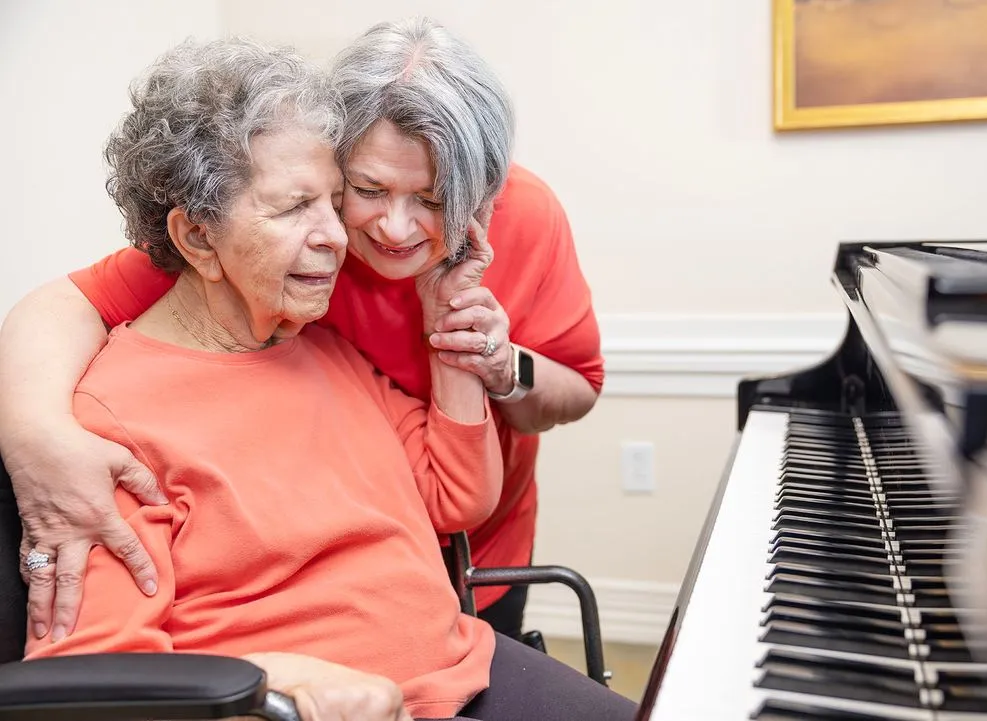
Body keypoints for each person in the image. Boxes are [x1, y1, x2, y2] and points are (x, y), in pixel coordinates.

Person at [21, 36, 637, 721]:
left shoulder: (325, 350)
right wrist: (279, 679)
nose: (346, 236)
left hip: (462, 662)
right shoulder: (115, 414)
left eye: (333, 201)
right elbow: (94, 679)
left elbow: (460, 499)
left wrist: (454, 330)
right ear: (198, 239)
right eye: (305, 205)